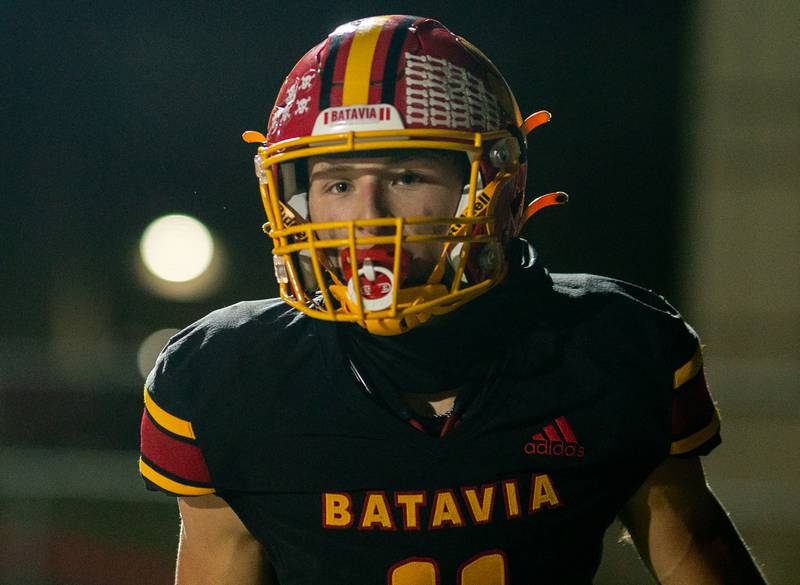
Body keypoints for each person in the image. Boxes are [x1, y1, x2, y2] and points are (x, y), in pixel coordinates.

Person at [139, 15, 768, 585]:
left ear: (499, 187)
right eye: (336, 183)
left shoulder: (613, 348)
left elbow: (695, 548)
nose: (368, 216)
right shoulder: (228, 376)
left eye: (406, 176)